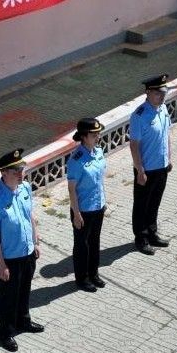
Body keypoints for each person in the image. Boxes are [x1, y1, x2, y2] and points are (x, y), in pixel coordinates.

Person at [0, 149, 43, 352]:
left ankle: (23, 321)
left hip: (27, 252)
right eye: (15, 171)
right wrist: (1, 264)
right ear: (3, 173)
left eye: (22, 169)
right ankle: (6, 332)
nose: (21, 174)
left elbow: (30, 215)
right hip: (10, 258)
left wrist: (35, 242)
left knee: (25, 289)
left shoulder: (25, 188)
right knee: (7, 297)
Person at [129, 74, 173, 255]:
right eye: (157, 93)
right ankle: (141, 238)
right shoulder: (139, 115)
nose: (161, 96)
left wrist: (169, 158)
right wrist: (140, 170)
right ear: (147, 93)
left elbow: (167, 134)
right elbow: (134, 145)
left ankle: (152, 233)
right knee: (142, 204)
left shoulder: (163, 108)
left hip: (162, 166)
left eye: (163, 93)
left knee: (155, 202)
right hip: (146, 169)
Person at [67, 117, 108, 292]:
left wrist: (104, 201)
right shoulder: (76, 160)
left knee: (94, 242)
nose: (97, 137)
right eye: (93, 135)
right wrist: (76, 213)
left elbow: (99, 180)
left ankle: (93, 273)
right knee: (82, 245)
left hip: (98, 206)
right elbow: (72, 189)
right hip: (83, 209)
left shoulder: (98, 152)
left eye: (98, 134)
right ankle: (82, 278)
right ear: (84, 137)